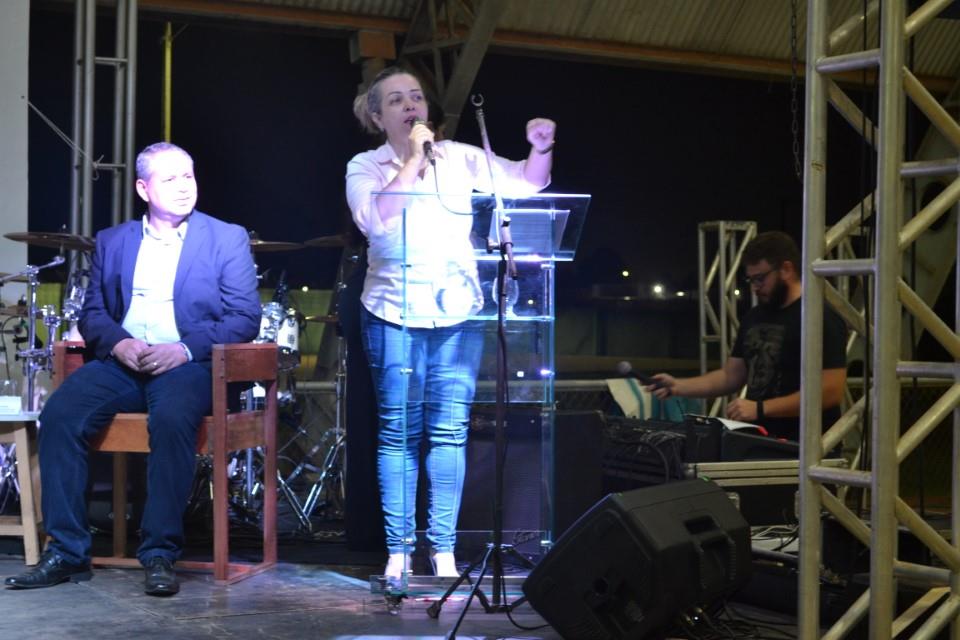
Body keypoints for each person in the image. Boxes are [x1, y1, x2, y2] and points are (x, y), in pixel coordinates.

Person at [4, 142, 261, 596]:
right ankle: (66, 551)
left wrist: (183, 349)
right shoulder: (113, 240)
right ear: (143, 188)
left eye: (188, 176)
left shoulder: (226, 237)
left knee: (172, 417)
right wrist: (119, 343)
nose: (184, 187)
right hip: (126, 362)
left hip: (189, 365)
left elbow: (244, 317)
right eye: (170, 179)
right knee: (60, 414)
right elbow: (94, 312)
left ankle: (159, 552)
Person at [345, 66, 554, 578]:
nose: (410, 106)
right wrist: (415, 159)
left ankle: (442, 552)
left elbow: (527, 183)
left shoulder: (459, 156)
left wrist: (540, 148)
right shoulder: (365, 165)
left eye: (416, 97)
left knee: (449, 431)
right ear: (377, 116)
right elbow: (375, 219)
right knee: (399, 432)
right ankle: (399, 551)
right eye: (397, 100)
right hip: (392, 311)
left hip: (457, 311)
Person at [648, 231, 847, 442]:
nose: (754, 288)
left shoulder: (820, 317)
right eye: (750, 280)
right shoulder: (755, 316)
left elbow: (831, 391)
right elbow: (730, 376)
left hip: (807, 445)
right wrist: (677, 386)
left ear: (786, 269)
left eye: (760, 279)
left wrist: (761, 408)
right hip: (759, 441)